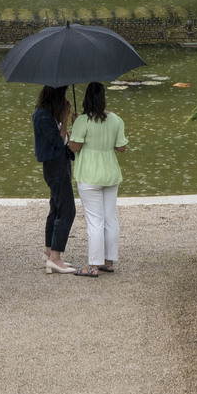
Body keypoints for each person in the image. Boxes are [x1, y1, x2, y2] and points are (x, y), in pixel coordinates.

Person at [69, 81, 127, 275]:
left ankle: (93, 265)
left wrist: (74, 126)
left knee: (95, 221)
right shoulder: (116, 119)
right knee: (110, 218)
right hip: (110, 173)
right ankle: (108, 261)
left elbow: (74, 147)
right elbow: (121, 147)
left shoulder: (82, 120)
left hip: (89, 175)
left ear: (86, 99)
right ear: (103, 99)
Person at [33, 84, 77, 272]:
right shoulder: (43, 116)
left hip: (59, 163)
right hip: (55, 165)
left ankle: (49, 250)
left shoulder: (48, 115)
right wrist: (65, 118)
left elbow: (63, 140)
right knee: (67, 209)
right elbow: (58, 142)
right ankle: (56, 257)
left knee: (56, 207)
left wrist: (65, 121)